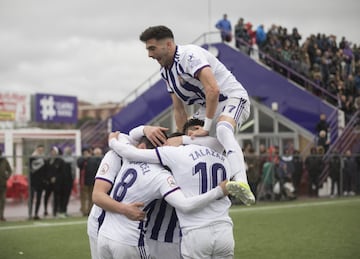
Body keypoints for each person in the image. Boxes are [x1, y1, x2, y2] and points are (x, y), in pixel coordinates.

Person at [139, 25, 255, 206]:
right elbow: (178, 109)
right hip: (209, 107)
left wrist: (207, 128)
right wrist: (179, 141)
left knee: (223, 130)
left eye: (152, 48)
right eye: (148, 50)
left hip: (232, 98)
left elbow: (213, 90)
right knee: (187, 139)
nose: (149, 55)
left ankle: (241, 181)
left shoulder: (189, 55)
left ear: (168, 45)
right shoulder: (165, 72)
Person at [95, 134, 229, 259]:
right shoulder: (161, 177)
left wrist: (142, 130)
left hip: (103, 236)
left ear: (142, 147)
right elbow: (185, 205)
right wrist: (219, 191)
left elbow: (121, 136)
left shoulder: (128, 157)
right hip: (129, 240)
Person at [87, 133, 145, 259]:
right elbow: (97, 195)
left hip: (127, 228)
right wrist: (126, 209)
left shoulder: (151, 160)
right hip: (102, 222)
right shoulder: (115, 156)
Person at [29, 145, 47, 220]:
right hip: (33, 181)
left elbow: (45, 170)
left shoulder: (44, 159)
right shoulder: (32, 157)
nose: (40, 151)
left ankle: (36, 214)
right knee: (31, 198)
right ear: (36, 149)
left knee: (39, 199)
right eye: (39, 150)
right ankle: (30, 214)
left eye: (41, 150)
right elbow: (31, 169)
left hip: (41, 182)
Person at [77, 147, 92, 216]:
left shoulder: (93, 159)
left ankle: (90, 210)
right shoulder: (81, 159)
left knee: (91, 197)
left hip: (92, 181)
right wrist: (85, 158)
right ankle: (84, 210)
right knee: (83, 197)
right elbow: (79, 165)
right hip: (83, 181)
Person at [0, 149, 12, 222]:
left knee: (3, 201)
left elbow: (9, 170)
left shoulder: (4, 161)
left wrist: (7, 177)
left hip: (3, 184)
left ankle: (1, 216)